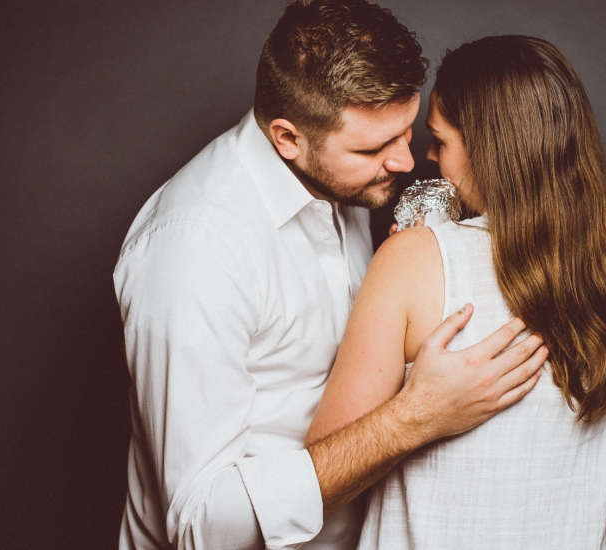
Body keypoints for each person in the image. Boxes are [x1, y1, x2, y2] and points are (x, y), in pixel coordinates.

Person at [113, 4, 547, 549]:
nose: (405, 163)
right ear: (287, 138)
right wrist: (413, 417)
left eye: (405, 134)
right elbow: (202, 527)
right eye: (371, 148)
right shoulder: (196, 249)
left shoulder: (343, 182)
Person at [307, 35, 606, 549]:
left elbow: (316, 486)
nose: (426, 154)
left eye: (440, 141)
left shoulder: (417, 260)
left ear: (487, 147)